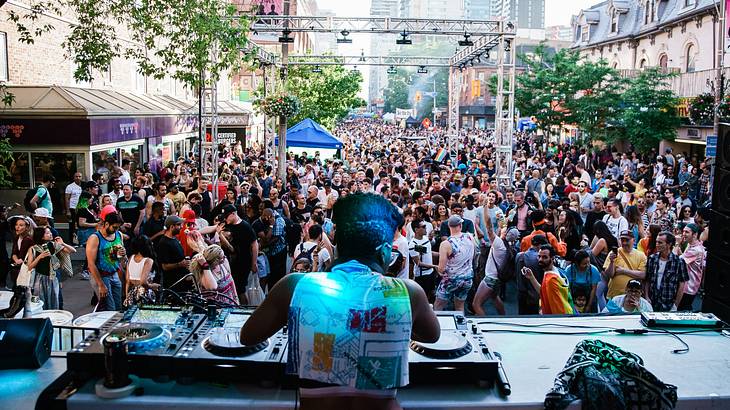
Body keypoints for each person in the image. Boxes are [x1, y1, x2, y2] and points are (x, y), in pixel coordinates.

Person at [240, 193, 439, 410]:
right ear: (384, 251)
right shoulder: (409, 292)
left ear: (335, 245)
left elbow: (248, 336)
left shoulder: (294, 285)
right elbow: (431, 335)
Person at [472, 219, 520, 316]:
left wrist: (485, 207)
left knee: (476, 304)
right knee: (494, 297)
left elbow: (489, 227)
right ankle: (503, 318)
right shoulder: (510, 247)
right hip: (498, 280)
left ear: (506, 233)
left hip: (490, 279)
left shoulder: (499, 244)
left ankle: (484, 325)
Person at [26, 226, 75, 310]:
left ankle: (54, 318)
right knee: (39, 301)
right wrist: (39, 257)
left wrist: (62, 243)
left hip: (53, 278)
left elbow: (73, 251)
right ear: (41, 236)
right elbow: (29, 267)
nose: (51, 234)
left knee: (55, 299)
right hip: (39, 279)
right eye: (48, 233)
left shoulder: (53, 245)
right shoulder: (33, 249)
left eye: (50, 232)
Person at [434, 215, 475, 313]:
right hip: (467, 278)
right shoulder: (469, 237)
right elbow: (474, 254)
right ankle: (461, 327)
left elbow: (441, 269)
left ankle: (437, 327)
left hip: (451, 280)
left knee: (438, 307)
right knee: (460, 307)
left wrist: (438, 269)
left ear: (449, 226)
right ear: (460, 225)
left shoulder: (446, 244)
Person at [86, 212, 126, 311]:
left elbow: (121, 259)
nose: (116, 230)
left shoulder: (118, 235)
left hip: (114, 273)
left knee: (118, 306)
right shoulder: (95, 238)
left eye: (118, 228)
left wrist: (123, 255)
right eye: (114, 227)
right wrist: (101, 284)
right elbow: (91, 264)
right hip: (101, 275)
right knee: (109, 308)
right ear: (106, 224)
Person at [521, 244, 574, 315]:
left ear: (552, 258)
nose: (540, 260)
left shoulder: (551, 280)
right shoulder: (556, 271)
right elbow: (543, 291)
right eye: (539, 256)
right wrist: (531, 277)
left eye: (544, 257)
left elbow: (557, 309)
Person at [219, 204, 258, 296]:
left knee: (240, 289)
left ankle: (243, 308)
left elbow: (254, 244)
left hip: (243, 262)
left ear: (233, 214)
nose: (225, 219)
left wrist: (254, 263)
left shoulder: (245, 226)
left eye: (226, 216)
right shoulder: (227, 224)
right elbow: (213, 228)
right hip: (231, 262)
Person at [644, 231, 688, 312]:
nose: (657, 244)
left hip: (668, 302)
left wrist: (675, 305)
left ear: (669, 244)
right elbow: (648, 279)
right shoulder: (652, 258)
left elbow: (682, 285)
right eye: (656, 242)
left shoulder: (679, 262)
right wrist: (646, 296)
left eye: (660, 242)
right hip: (652, 301)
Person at [603, 230, 647, 300]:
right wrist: (611, 262)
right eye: (622, 240)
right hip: (614, 296)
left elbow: (642, 275)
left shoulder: (641, 255)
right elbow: (609, 275)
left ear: (634, 240)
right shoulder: (614, 253)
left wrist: (623, 271)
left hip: (633, 296)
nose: (624, 243)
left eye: (627, 240)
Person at [156, 215, 191, 291]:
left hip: (181, 280)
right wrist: (180, 264)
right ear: (172, 227)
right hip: (173, 283)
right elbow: (164, 266)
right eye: (178, 225)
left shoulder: (174, 238)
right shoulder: (163, 243)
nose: (181, 227)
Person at [124, 235, 159, 307]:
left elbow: (127, 280)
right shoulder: (148, 260)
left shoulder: (131, 257)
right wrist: (152, 286)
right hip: (144, 294)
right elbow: (143, 281)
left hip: (132, 292)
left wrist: (127, 297)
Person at [408, 220, 437, 301]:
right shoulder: (413, 245)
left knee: (431, 295)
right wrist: (434, 266)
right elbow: (418, 263)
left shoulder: (425, 238)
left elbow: (428, 252)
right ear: (416, 230)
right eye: (423, 227)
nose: (426, 228)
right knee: (423, 299)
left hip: (430, 273)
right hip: (422, 276)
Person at [9, 217, 33, 289]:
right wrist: (16, 260)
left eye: (21, 225)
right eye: (16, 225)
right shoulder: (17, 237)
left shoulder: (28, 239)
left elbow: (25, 257)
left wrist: (19, 261)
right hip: (18, 265)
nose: (17, 227)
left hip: (26, 267)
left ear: (27, 227)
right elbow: (14, 253)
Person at [65, 172, 83, 243]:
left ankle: (80, 240)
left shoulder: (83, 186)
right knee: (72, 226)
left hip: (81, 209)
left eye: (79, 176)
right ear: (74, 177)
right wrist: (68, 211)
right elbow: (67, 199)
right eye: (76, 176)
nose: (78, 178)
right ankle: (72, 241)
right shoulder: (70, 187)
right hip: (73, 208)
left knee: (80, 225)